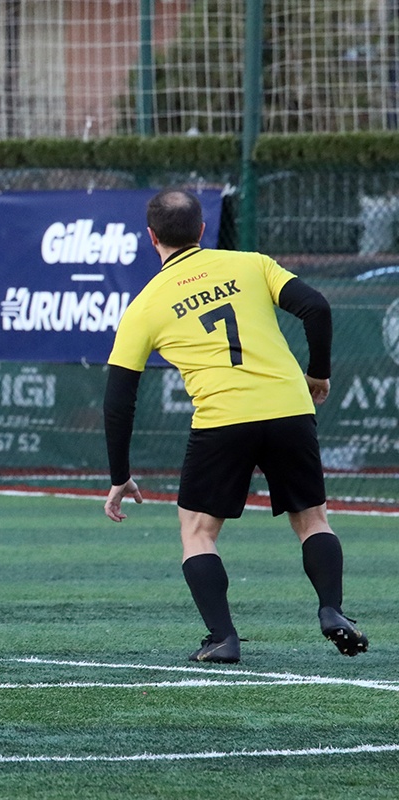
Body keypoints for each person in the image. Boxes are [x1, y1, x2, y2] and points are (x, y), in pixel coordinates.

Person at [103, 188, 367, 664]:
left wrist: (120, 475)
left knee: (198, 531)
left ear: (151, 237)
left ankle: (223, 637)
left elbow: (118, 400)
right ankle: (332, 609)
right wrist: (318, 374)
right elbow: (318, 308)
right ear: (203, 230)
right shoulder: (251, 264)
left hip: (223, 419)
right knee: (312, 519)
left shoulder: (144, 306)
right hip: (289, 408)